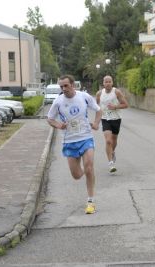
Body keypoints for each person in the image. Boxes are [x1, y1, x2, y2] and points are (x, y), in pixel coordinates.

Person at [47, 74, 102, 214]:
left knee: (89, 168)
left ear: (73, 85)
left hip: (86, 137)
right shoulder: (58, 102)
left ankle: (90, 201)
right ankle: (86, 173)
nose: (63, 88)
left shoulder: (84, 96)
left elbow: (98, 109)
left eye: (66, 85)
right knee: (77, 175)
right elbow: (50, 119)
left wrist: (96, 123)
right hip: (69, 141)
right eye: (61, 86)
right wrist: (59, 125)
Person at [96, 75, 128, 173]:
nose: (108, 83)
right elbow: (97, 107)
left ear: (112, 82)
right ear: (103, 83)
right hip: (105, 119)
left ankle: (112, 152)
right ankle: (111, 163)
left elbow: (126, 105)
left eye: (109, 81)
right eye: (106, 82)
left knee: (114, 141)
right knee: (108, 141)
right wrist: (96, 120)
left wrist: (115, 106)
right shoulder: (99, 94)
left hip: (116, 118)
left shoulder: (117, 92)